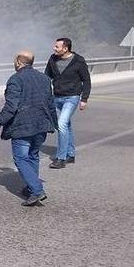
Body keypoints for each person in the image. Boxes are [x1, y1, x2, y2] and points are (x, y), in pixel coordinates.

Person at [0, 51, 58, 206]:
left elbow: (11, 106)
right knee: (33, 156)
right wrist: (54, 123)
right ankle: (30, 188)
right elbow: (50, 104)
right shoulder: (45, 79)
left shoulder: (15, 79)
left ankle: (37, 190)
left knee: (21, 158)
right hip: (41, 125)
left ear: (18, 62)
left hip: (23, 126)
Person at [44, 37, 91, 169]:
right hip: (57, 97)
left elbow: (86, 80)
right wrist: (45, 94)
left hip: (72, 97)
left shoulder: (78, 61)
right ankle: (71, 154)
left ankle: (61, 158)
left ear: (65, 48)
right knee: (66, 125)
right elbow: (46, 76)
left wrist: (84, 99)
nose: (54, 48)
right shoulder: (52, 59)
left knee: (61, 124)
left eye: (57, 47)